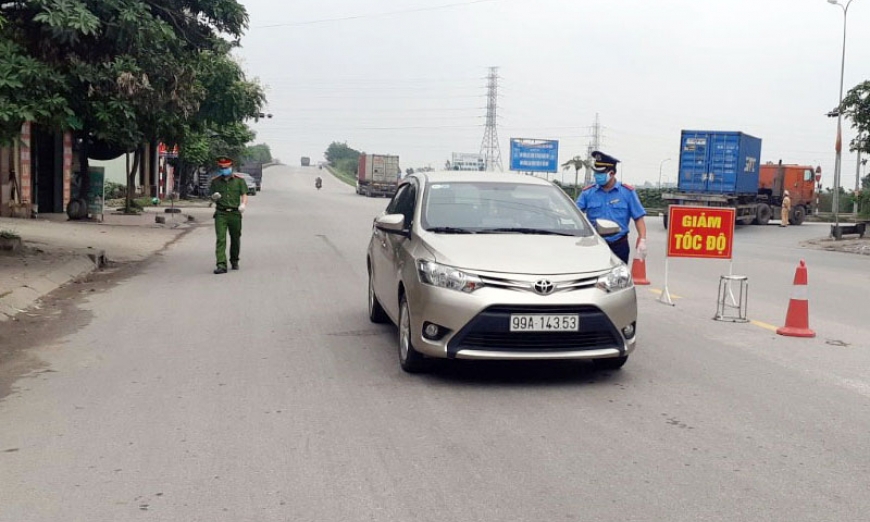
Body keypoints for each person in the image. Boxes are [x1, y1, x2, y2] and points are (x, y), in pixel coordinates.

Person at [576, 151, 647, 264]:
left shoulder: (627, 192)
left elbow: (638, 217)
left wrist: (642, 240)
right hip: (595, 244)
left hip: (619, 245)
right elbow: (575, 214)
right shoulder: (588, 193)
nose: (596, 176)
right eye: (596, 173)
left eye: (601, 173)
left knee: (619, 278)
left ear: (612, 173)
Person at [209, 157, 248, 274]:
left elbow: (244, 194)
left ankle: (234, 260)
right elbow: (211, 198)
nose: (224, 170)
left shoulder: (239, 181)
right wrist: (213, 198)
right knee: (221, 239)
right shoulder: (215, 181)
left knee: (235, 238)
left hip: (235, 213)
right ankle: (221, 264)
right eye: (221, 168)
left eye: (226, 168)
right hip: (221, 213)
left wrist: (243, 205)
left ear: (231, 167)